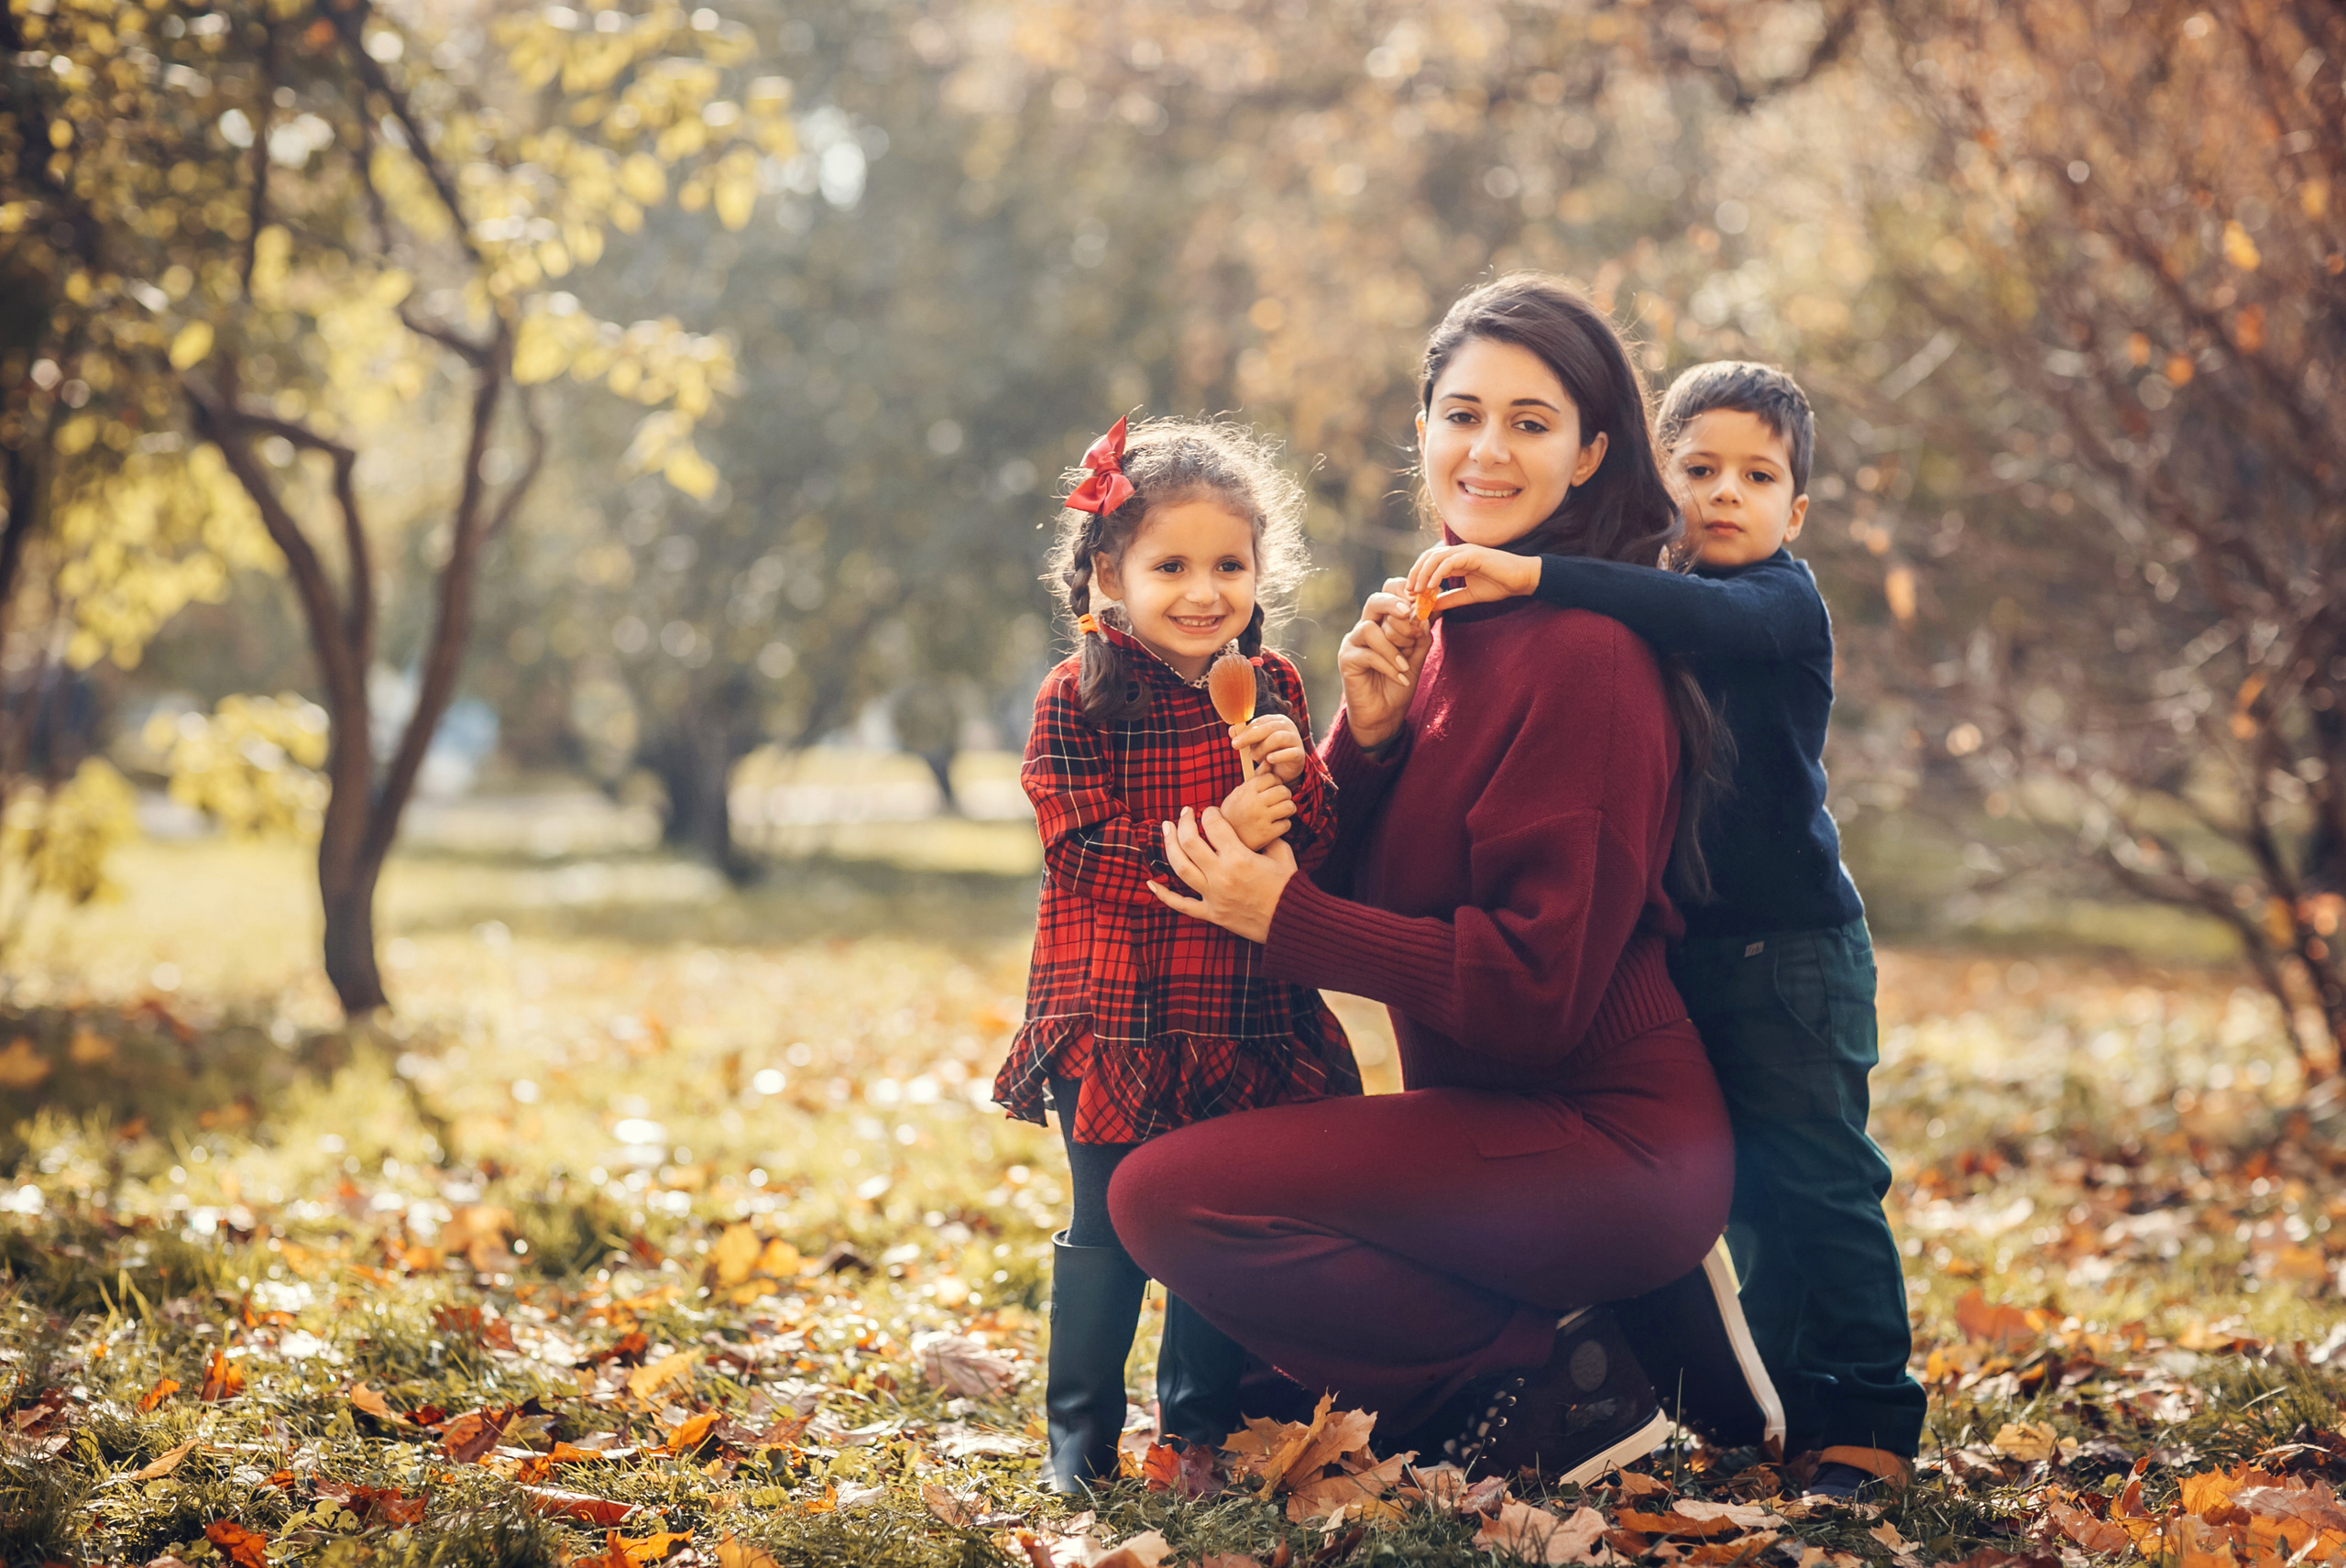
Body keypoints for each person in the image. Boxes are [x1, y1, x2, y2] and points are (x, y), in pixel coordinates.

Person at [1110, 274, 1738, 1484]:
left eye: (1530, 421)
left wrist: (1283, 918)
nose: (1486, 450)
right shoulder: (1445, 616)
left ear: (1594, 452)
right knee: (1256, 1358)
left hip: (1606, 1140)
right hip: (1490, 1127)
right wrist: (1372, 739)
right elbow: (1362, 875)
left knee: (1170, 1202)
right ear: (1423, 428)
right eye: (1461, 413)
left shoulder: (1592, 655)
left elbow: (1538, 990)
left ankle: (1566, 1376)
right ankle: (1544, 1349)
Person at [1402, 361, 1927, 1499]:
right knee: (1737, 1193)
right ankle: (1792, 1408)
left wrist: (1535, 571)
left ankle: (1870, 1417)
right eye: (1696, 469)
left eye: (1756, 476)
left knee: (1820, 1183)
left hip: (1792, 955)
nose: (1723, 494)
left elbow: (1701, 609)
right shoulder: (1636, 603)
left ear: (1795, 510)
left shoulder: (1778, 603)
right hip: (1687, 957)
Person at [991, 415, 1361, 1493]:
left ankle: (1193, 1430)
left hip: (1245, 1006)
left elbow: (1316, 850)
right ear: (1110, 574)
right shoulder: (1079, 697)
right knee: (1104, 1221)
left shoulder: (1271, 686)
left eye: (1228, 565)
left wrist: (1299, 782)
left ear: (1259, 571)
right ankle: (1078, 1434)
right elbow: (1078, 851)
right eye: (1170, 566)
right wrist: (1222, 829)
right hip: (1117, 1009)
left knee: (1215, 1225)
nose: (1204, 592)